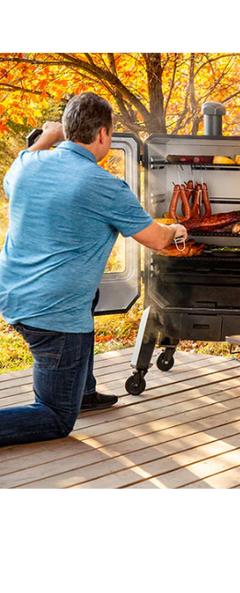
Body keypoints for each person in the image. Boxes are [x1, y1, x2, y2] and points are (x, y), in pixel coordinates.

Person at [0, 92, 187, 448]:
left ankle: (82, 391)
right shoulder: (104, 186)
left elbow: (22, 165)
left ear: (68, 130)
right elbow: (156, 240)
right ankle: (68, 400)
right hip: (53, 318)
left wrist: (47, 138)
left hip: (13, 296)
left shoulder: (26, 165)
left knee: (92, 292)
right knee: (55, 416)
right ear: (103, 134)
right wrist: (176, 230)